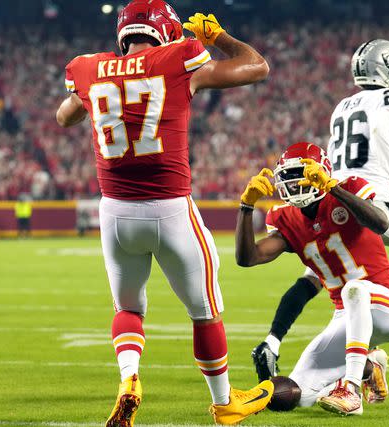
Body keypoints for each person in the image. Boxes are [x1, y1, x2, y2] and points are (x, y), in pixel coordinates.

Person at [55, 2, 272, 425]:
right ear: (166, 30)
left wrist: (93, 95)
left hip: (115, 214)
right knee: (205, 310)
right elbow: (257, 67)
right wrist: (219, 39)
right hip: (170, 208)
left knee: (129, 308)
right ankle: (224, 402)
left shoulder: (86, 66)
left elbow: (64, 117)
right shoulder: (180, 57)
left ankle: (130, 379)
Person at [252, 39, 389, 381]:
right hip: (363, 195)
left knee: (316, 275)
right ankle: (370, 338)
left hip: (333, 190)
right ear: (386, 66)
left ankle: (274, 340)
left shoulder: (343, 104)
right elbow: (379, 133)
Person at [236, 142, 389, 416]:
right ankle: (368, 368)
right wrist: (246, 206)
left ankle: (351, 390)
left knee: (354, 290)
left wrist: (333, 188)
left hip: (387, 307)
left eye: (300, 177)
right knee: (300, 395)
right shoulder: (287, 219)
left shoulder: (348, 188)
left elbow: (380, 224)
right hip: (347, 316)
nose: (294, 186)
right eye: (288, 179)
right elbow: (248, 258)